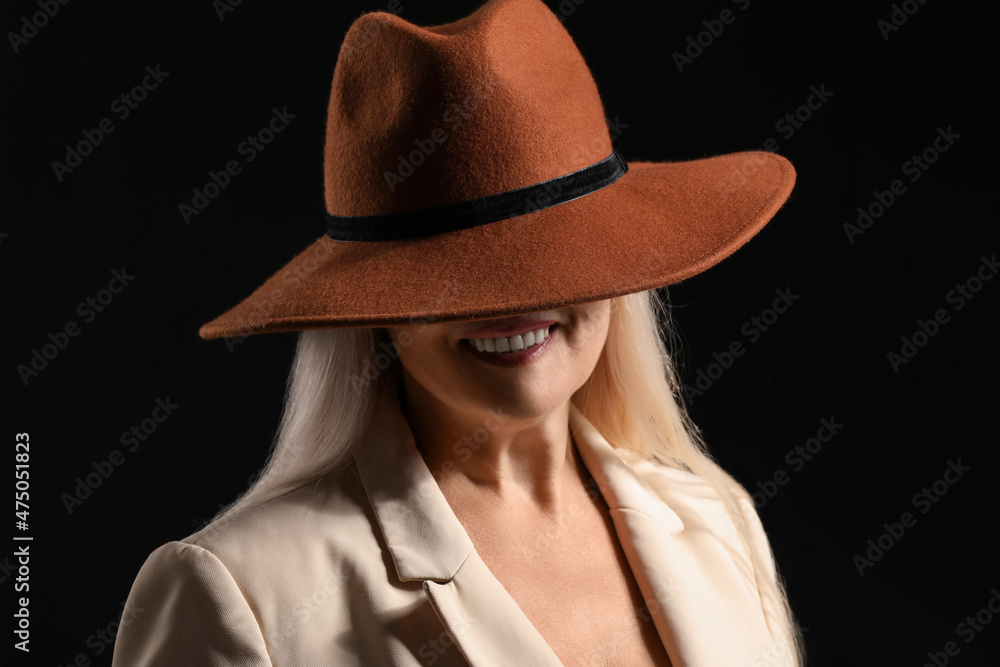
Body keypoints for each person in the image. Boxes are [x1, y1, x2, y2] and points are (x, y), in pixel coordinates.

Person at [113, 0, 803, 664]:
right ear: (373, 308)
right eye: (460, 272)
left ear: (621, 276)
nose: (515, 306)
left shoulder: (721, 523)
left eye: (555, 256)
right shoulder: (240, 593)